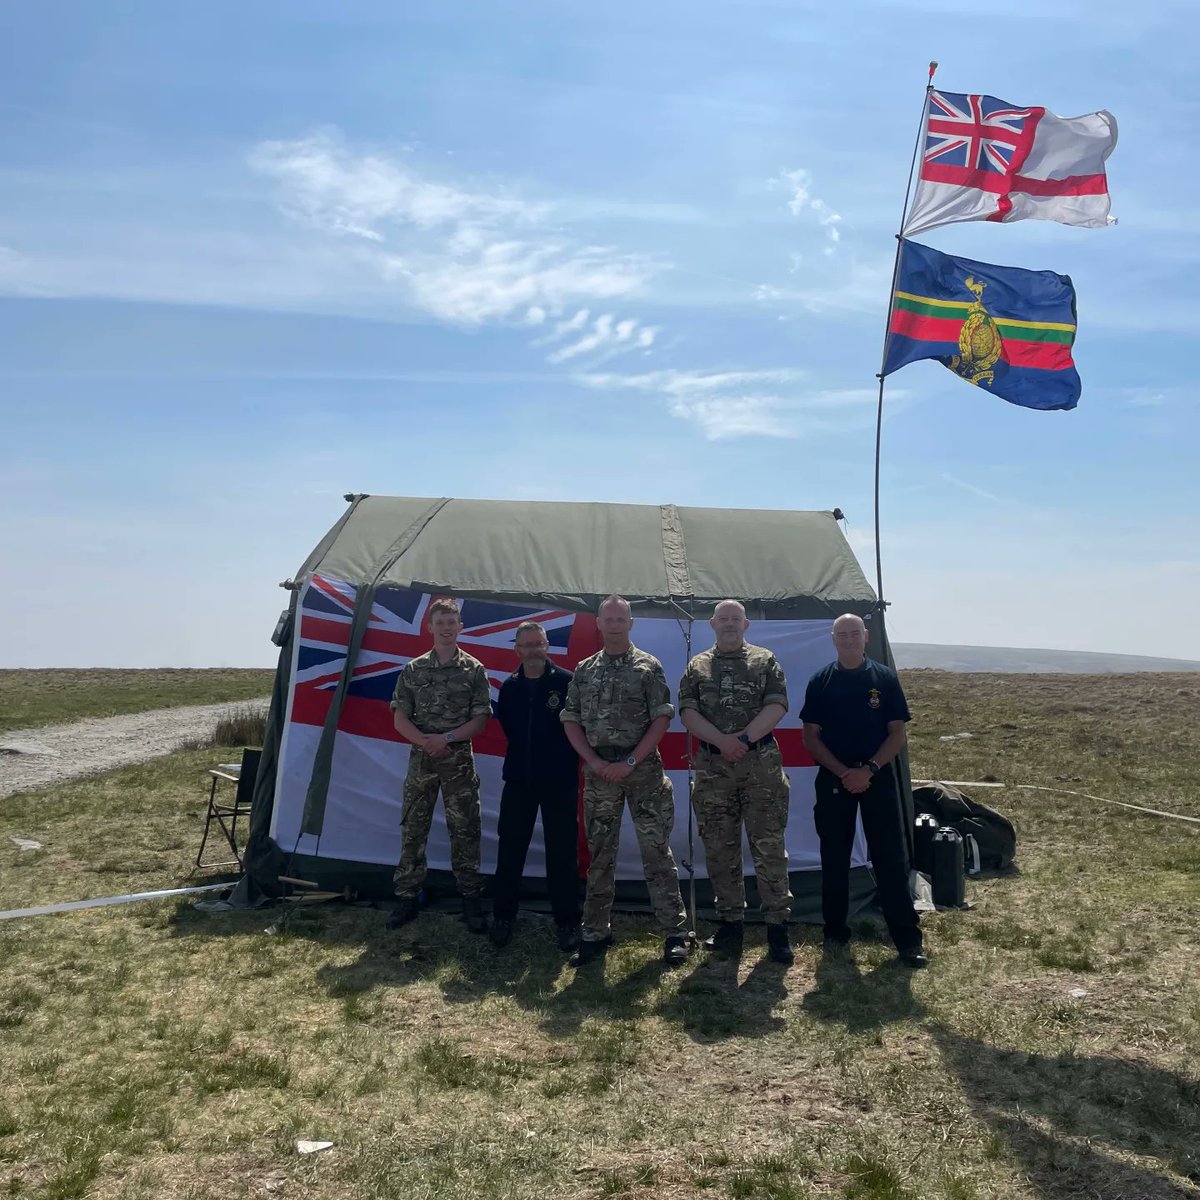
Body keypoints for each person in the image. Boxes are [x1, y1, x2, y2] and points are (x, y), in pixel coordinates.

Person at [560, 595, 689, 967]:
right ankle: (595, 933)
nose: (614, 625)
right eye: (608, 619)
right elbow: (571, 719)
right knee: (600, 856)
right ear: (598, 624)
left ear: (630, 623)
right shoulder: (584, 670)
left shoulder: (649, 667)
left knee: (657, 854)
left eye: (621, 619)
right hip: (600, 774)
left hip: (643, 772)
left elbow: (662, 718)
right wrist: (596, 761)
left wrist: (631, 760)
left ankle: (675, 933)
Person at [799, 613, 928, 968]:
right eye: (842, 635)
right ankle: (835, 931)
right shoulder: (820, 681)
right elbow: (810, 736)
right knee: (834, 857)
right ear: (833, 639)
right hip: (835, 779)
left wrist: (868, 770)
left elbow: (897, 733)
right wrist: (844, 772)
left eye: (855, 634)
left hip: (877, 777)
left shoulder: (884, 679)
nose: (849, 640)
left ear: (866, 636)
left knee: (890, 858)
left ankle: (906, 939)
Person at [678, 599, 794, 964]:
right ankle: (731, 925)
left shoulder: (765, 660)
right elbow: (688, 712)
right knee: (720, 849)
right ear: (712, 624)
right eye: (723, 619)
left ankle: (778, 928)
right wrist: (721, 742)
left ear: (746, 625)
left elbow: (776, 706)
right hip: (714, 770)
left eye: (736, 619)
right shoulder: (698, 665)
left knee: (769, 847)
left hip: (760, 766)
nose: (729, 624)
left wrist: (741, 741)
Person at [388, 597, 493, 933]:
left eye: (452, 622)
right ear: (429, 627)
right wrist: (426, 742)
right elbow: (400, 718)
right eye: (441, 622)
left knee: (465, 831)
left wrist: (445, 739)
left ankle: (470, 899)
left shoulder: (474, 670)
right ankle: (407, 896)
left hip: (458, 761)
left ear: (460, 627)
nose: (447, 628)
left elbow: (480, 720)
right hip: (422, 760)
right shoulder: (413, 669)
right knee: (413, 830)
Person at [490, 620, 582, 953]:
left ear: (547, 646)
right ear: (517, 649)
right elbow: (510, 728)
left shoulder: (568, 683)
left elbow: (577, 729)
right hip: (518, 781)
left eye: (538, 644)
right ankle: (503, 916)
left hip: (559, 781)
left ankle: (568, 921)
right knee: (510, 850)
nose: (532, 650)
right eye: (526, 645)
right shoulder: (510, 687)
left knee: (562, 854)